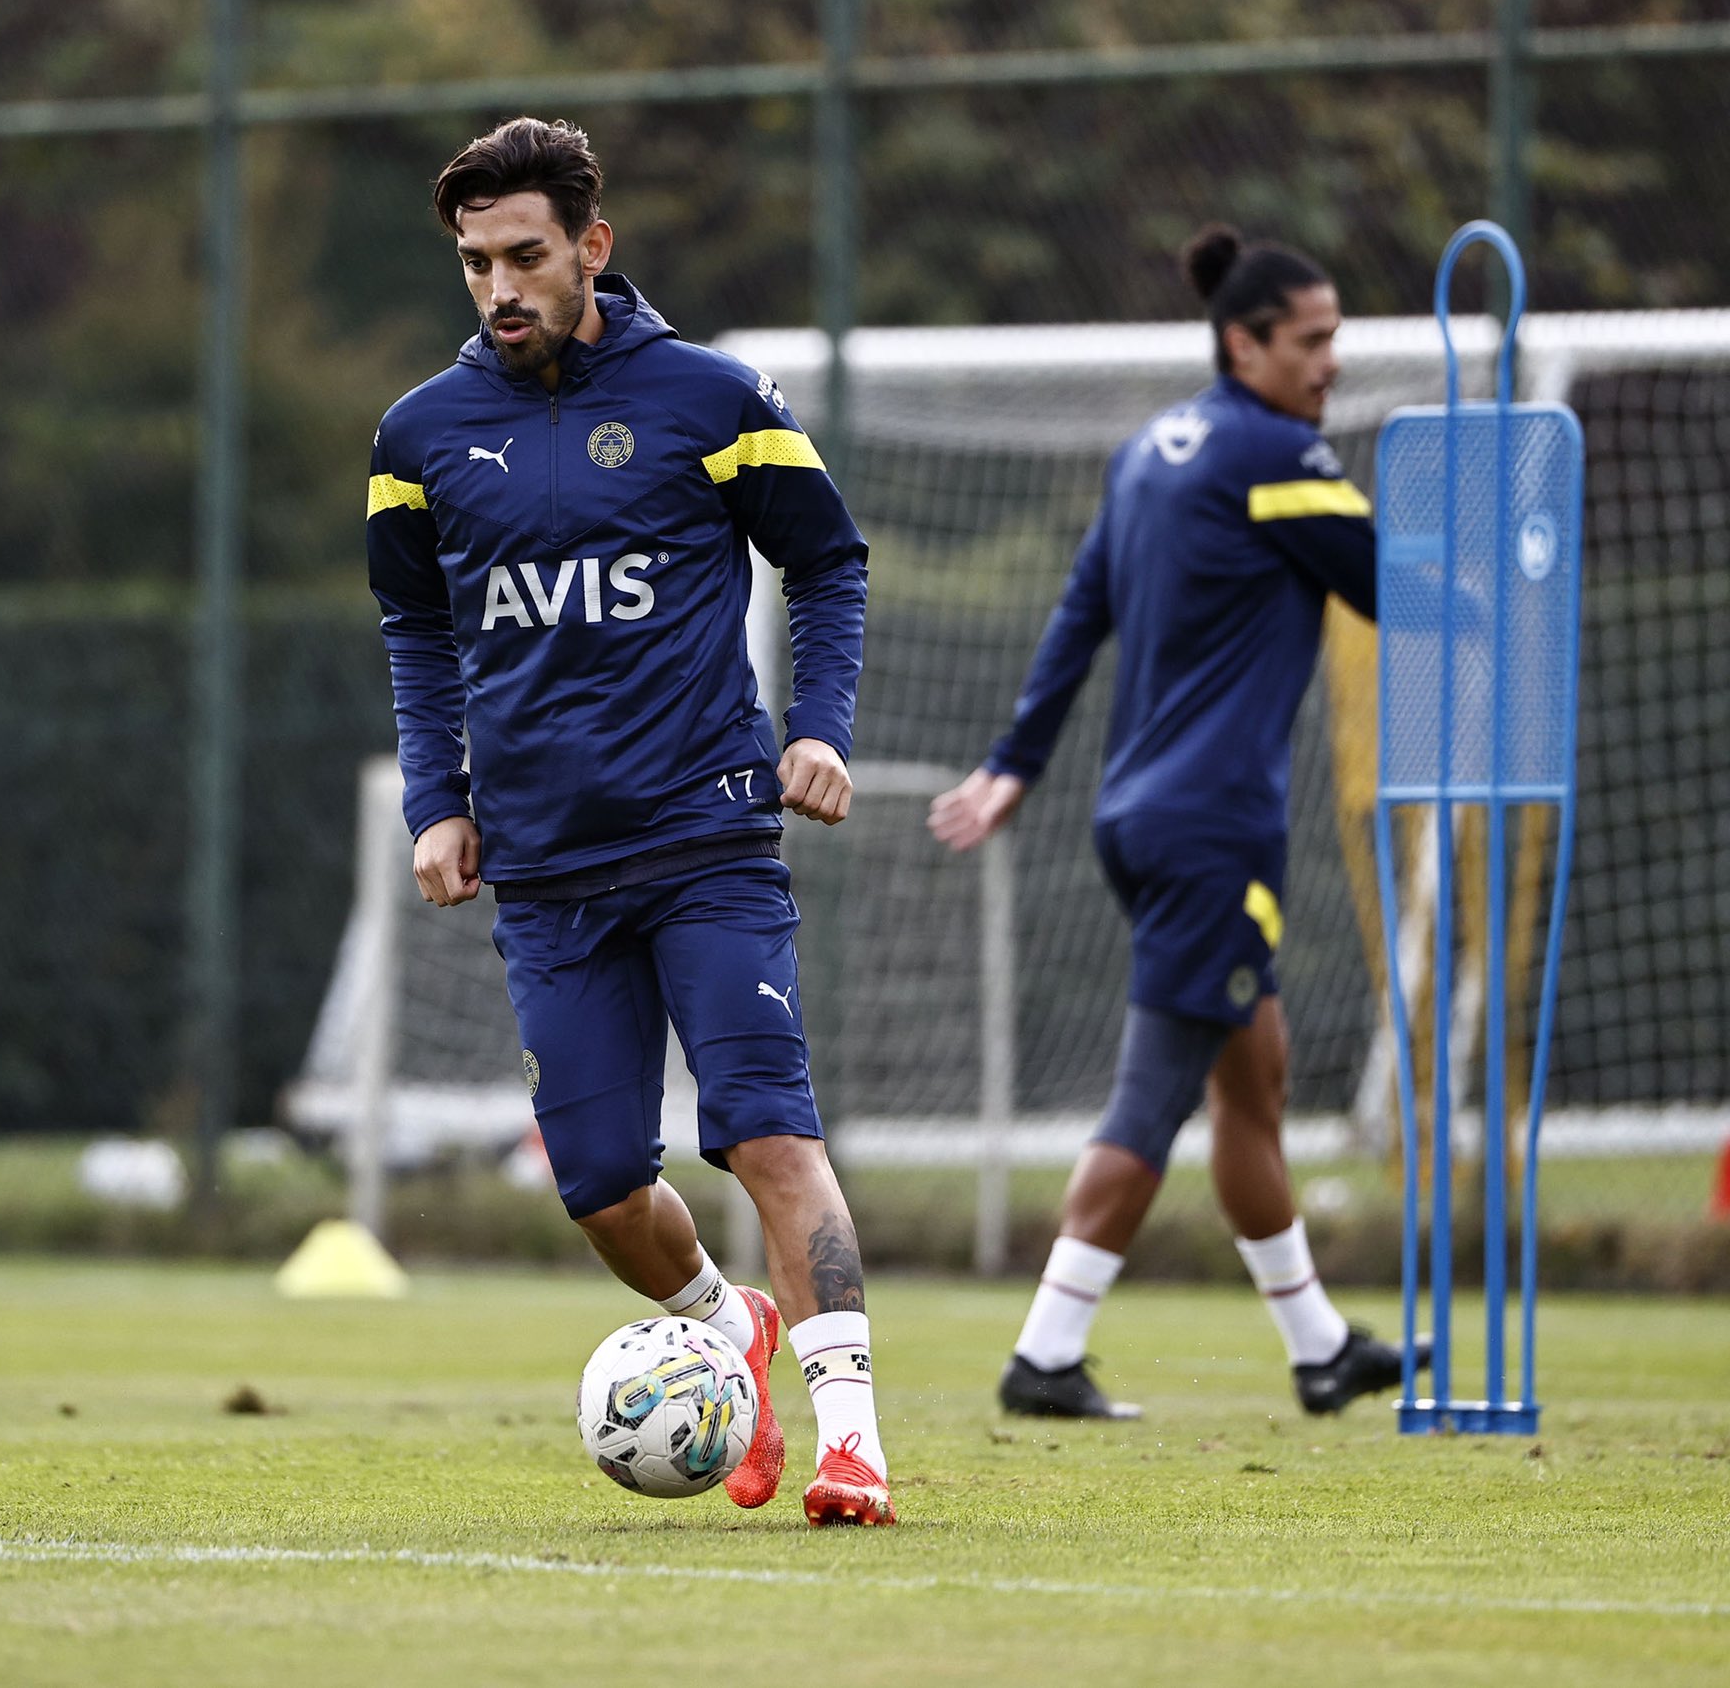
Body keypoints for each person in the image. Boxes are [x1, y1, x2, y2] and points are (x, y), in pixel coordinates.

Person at [367, 116, 894, 1524]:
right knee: (601, 1183)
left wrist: (818, 729)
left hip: (711, 841)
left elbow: (829, 562)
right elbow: (416, 628)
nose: (499, 287)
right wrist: (440, 803)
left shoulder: (713, 399)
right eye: (475, 262)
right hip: (543, 872)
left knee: (771, 1134)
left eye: (525, 254)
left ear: (592, 246)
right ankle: (734, 1331)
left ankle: (853, 1442)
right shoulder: (419, 436)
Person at [928, 224, 1429, 1421]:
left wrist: (1015, 763)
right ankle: (1044, 1354)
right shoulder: (1274, 456)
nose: (1330, 365)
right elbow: (1406, 595)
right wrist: (1519, 564)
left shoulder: (1151, 452)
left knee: (1250, 1079)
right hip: (1210, 829)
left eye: (1332, 342)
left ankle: (1317, 1349)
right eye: (1310, 343)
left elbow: (1076, 613)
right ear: (1241, 342)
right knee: (1153, 1096)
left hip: (1138, 813)